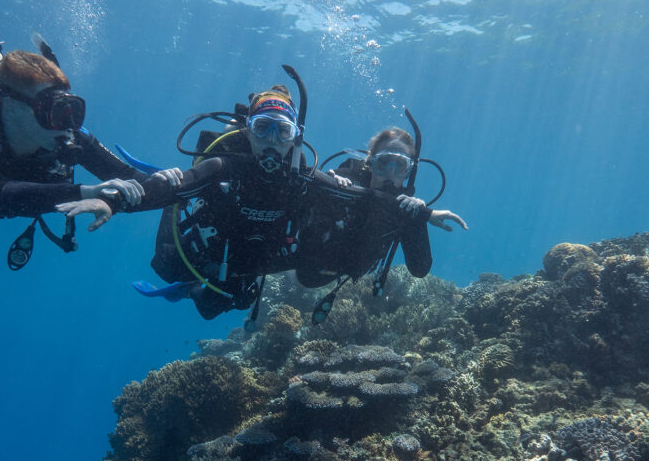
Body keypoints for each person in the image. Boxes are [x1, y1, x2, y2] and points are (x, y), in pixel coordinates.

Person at [57, 79, 442, 322]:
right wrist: (116, 202)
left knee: (226, 306)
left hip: (260, 261)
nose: (272, 141)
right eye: (263, 129)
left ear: (294, 136)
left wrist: (419, 214)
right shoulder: (226, 165)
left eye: (282, 131)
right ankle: (187, 283)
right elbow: (174, 188)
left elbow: (360, 196)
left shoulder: (302, 174)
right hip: (217, 251)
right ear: (249, 132)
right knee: (183, 283)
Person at [0, 28, 180, 269]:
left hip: (17, 179)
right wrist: (84, 191)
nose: (67, 126)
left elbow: (130, 177)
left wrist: (167, 182)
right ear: (13, 106)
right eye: (55, 112)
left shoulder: (67, 134)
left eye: (72, 111)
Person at [294, 125, 467, 320]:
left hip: (350, 269)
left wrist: (417, 219)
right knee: (304, 279)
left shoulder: (407, 209)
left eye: (400, 165)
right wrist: (329, 190)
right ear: (370, 163)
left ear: (409, 172)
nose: (390, 172)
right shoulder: (347, 178)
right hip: (312, 269)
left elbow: (420, 269)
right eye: (383, 162)